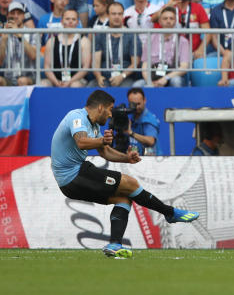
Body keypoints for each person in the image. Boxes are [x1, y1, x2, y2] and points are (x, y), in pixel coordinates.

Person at [50, 90, 199, 258]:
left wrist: (127, 158)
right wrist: (101, 140)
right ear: (100, 107)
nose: (110, 114)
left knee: (123, 199)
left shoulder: (94, 126)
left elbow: (105, 151)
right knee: (130, 183)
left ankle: (115, 245)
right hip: (74, 174)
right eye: (109, 109)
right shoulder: (76, 117)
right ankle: (169, 212)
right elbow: (81, 142)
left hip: (72, 180)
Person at [124, 87, 160, 156]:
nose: (136, 107)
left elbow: (151, 141)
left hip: (150, 160)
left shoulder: (149, 119)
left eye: (138, 104)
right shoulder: (131, 117)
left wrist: (131, 133)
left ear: (144, 100)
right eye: (133, 104)